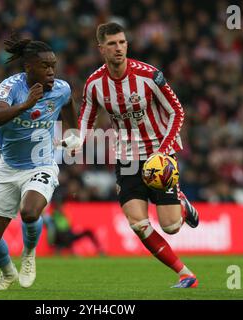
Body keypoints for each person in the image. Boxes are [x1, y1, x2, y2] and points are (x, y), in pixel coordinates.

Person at [78, 22, 200, 288]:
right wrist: (77, 143)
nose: (118, 48)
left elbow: (177, 111)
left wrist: (164, 151)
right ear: (101, 49)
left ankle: (182, 205)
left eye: (122, 42)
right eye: (112, 44)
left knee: (170, 227)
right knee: (138, 224)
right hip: (126, 158)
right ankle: (185, 273)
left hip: (158, 154)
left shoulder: (149, 75)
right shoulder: (94, 84)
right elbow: (86, 122)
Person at [0, 33, 79, 290]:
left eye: (53, 66)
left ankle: (29, 254)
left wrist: (73, 136)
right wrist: (26, 104)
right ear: (28, 67)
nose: (51, 71)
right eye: (45, 66)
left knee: (29, 211)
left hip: (41, 164)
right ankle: (7, 273)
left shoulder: (61, 89)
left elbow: (69, 109)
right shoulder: (11, 87)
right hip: (8, 168)